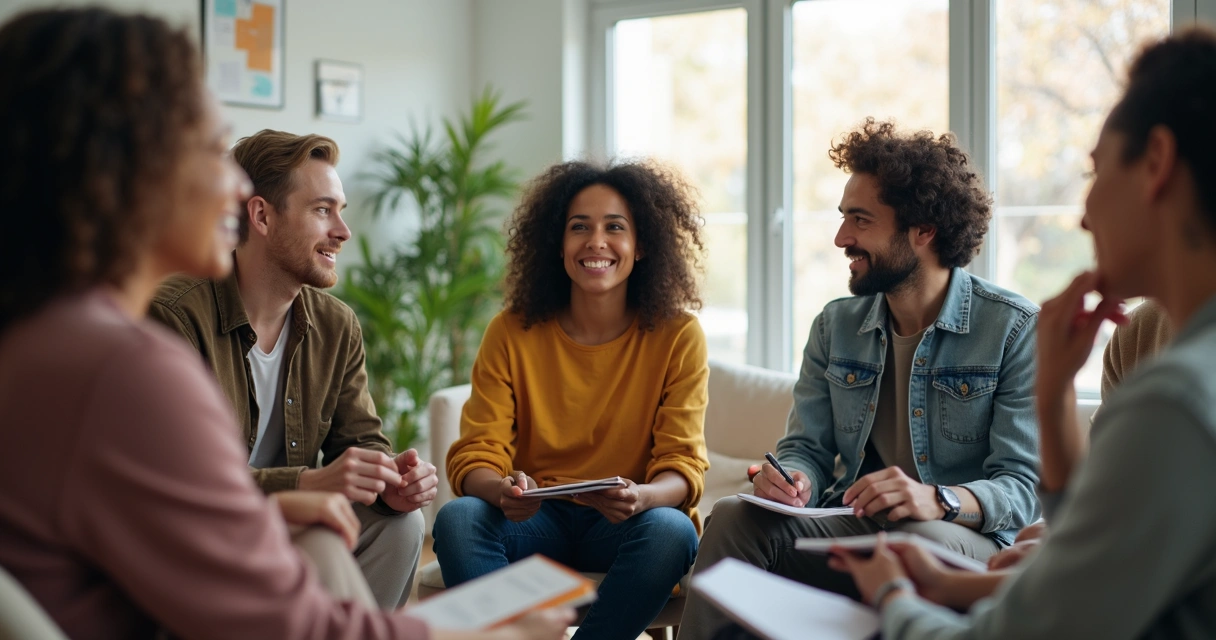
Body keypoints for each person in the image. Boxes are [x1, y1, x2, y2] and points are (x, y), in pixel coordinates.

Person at [0, 7, 570, 639]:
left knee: (327, 532)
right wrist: (490, 634)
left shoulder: (44, 337)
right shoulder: (125, 366)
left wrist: (292, 502)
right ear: (127, 168)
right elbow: (295, 630)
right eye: (213, 150)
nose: (234, 187)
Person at [835, 26, 1216, 639]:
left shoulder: (1173, 402)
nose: (1084, 214)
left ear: (1156, 164)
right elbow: (1098, 567)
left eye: (1096, 173)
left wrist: (895, 597)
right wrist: (1054, 390)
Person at [681, 118, 1041, 640]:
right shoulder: (835, 325)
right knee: (737, 516)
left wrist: (937, 499)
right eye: (843, 218)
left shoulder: (1011, 327)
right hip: (852, 525)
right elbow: (805, 445)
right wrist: (793, 479)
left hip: (963, 539)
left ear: (923, 231)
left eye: (860, 220)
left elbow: (1020, 488)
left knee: (916, 540)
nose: (841, 238)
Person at [149, 129, 437, 610]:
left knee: (400, 525)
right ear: (261, 215)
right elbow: (180, 481)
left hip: (295, 521)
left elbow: (361, 444)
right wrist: (304, 484)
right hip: (199, 533)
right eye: (323, 210)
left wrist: (394, 484)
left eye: (340, 211)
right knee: (320, 538)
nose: (343, 231)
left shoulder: (336, 325)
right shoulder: (177, 317)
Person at [432, 161, 710, 639]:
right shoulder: (511, 331)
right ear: (557, 245)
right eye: (579, 227)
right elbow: (477, 451)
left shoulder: (678, 335)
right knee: (459, 519)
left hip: (624, 525)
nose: (595, 242)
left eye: (614, 227)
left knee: (672, 531)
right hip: (534, 523)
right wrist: (501, 491)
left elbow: (681, 464)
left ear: (641, 245)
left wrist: (641, 497)